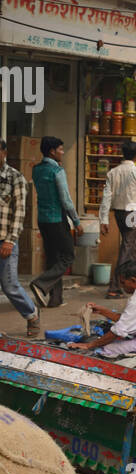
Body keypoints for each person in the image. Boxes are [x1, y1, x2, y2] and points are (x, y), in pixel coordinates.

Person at [98, 140, 136, 299]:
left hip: (119, 213)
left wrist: (103, 219)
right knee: (127, 246)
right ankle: (114, 286)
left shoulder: (113, 172)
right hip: (132, 213)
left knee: (130, 246)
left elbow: (106, 197)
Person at [30, 136, 82, 310]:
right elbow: (66, 200)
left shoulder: (36, 170)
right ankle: (40, 283)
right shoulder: (57, 171)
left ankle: (56, 299)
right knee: (68, 256)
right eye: (60, 149)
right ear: (52, 151)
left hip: (43, 220)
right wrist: (76, 221)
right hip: (57, 219)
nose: (62, 152)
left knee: (53, 259)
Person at [0, 139, 39, 337]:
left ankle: (32, 315)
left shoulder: (15, 178)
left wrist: (10, 240)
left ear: (4, 152)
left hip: (5, 240)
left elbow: (20, 213)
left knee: (10, 285)